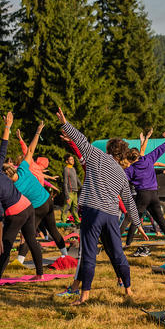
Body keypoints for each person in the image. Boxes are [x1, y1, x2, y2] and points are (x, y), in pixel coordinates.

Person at [56, 105, 147, 305]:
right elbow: (129, 200)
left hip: (93, 211)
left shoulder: (96, 156)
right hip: (112, 215)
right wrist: (138, 224)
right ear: (122, 155)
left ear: (108, 149)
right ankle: (128, 290)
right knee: (118, 253)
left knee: (89, 254)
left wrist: (65, 123)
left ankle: (84, 295)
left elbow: (80, 140)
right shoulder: (122, 174)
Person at [0, 113, 44, 283]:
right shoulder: (14, 170)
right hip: (30, 206)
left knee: (6, 246)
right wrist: (9, 127)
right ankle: (40, 274)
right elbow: (10, 149)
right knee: (31, 240)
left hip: (18, 213)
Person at [9, 122, 70, 262]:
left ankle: (20, 261)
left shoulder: (14, 187)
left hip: (37, 206)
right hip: (47, 199)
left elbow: (27, 150)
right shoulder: (25, 168)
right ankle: (65, 255)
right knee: (53, 229)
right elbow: (29, 150)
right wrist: (37, 132)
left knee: (29, 234)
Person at [124, 131, 165, 246]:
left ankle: (128, 243)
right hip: (154, 194)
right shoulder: (148, 159)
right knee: (160, 218)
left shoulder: (131, 169)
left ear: (130, 159)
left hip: (142, 195)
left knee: (136, 219)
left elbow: (121, 179)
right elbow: (159, 150)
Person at [60, 153, 81, 224]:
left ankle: (78, 222)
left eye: (73, 159)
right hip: (69, 192)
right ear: (67, 161)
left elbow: (77, 178)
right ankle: (63, 223)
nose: (73, 160)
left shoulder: (73, 168)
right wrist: (67, 195)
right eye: (71, 159)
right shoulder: (66, 169)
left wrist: (82, 186)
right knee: (66, 207)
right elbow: (65, 183)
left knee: (75, 208)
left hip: (75, 192)